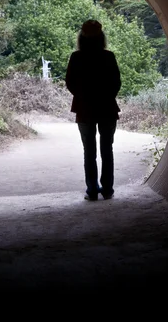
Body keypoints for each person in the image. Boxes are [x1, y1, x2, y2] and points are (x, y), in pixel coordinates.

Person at [65, 20, 121, 201]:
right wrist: (105, 97)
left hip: (84, 109)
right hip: (107, 108)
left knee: (89, 150)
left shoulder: (76, 57)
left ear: (81, 37)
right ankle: (107, 189)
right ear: (101, 36)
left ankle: (92, 189)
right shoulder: (108, 56)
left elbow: (70, 83)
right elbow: (116, 83)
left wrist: (84, 97)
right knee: (107, 149)